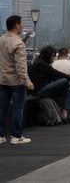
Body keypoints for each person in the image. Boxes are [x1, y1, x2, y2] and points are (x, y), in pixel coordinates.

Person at [0, 15, 34, 145]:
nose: (22, 26)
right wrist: (28, 82)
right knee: (17, 109)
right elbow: (21, 67)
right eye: (21, 24)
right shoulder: (18, 44)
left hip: (3, 80)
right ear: (16, 25)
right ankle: (16, 136)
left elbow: (9, 51)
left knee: (2, 109)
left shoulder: (1, 39)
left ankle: (0, 135)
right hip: (17, 82)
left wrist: (24, 39)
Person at [28, 45, 70, 123]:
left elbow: (54, 77)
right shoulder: (41, 64)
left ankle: (65, 117)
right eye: (53, 56)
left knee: (68, 91)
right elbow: (57, 73)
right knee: (64, 80)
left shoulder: (43, 64)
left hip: (44, 87)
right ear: (48, 56)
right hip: (40, 90)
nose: (54, 58)